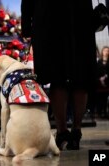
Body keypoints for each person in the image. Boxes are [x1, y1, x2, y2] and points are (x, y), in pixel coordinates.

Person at [21, 0, 97, 150]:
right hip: (80, 19)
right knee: (80, 78)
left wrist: (26, 28)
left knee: (58, 78)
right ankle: (76, 132)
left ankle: (62, 133)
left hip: (49, 20)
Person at [96, 46, 109, 119]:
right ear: (102, 52)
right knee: (100, 98)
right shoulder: (99, 62)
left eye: (107, 51)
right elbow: (96, 72)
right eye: (105, 51)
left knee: (106, 98)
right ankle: (99, 112)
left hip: (108, 82)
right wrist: (100, 79)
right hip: (99, 83)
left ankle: (105, 112)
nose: (106, 52)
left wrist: (106, 76)